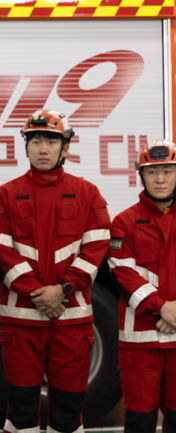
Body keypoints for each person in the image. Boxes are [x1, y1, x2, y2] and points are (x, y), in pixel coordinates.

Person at [0, 109, 110, 433]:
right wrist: (38, 294)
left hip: (71, 323)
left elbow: (96, 247)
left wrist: (64, 289)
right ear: (25, 147)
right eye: (36, 140)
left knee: (68, 412)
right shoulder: (5, 196)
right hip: (22, 323)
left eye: (51, 141)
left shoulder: (88, 194)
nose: (42, 148)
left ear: (65, 148)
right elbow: (1, 250)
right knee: (22, 411)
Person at [107, 139, 176, 433]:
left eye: (167, 171)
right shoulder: (123, 223)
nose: (160, 179)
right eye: (152, 172)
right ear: (141, 176)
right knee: (140, 422)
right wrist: (163, 308)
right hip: (140, 344)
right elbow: (123, 273)